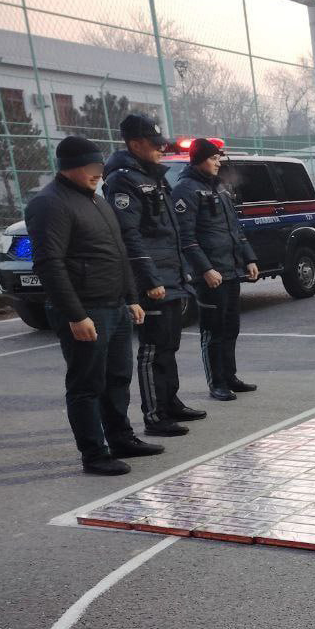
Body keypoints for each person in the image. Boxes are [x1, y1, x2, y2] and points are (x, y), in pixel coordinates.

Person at [26, 136, 164, 475]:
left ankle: (121, 439)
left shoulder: (97, 201)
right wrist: (76, 315)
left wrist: (131, 298)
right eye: (90, 167)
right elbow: (49, 264)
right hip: (86, 310)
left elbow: (119, 253)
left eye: (99, 166)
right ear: (68, 167)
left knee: (118, 377)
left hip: (115, 306)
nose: (98, 172)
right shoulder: (49, 204)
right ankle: (94, 453)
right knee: (86, 385)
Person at [105, 114, 206, 436]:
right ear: (135, 144)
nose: (161, 149)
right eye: (155, 144)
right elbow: (130, 235)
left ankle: (170, 402)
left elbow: (169, 232)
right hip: (153, 280)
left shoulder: (155, 177)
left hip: (171, 275)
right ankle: (155, 415)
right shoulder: (123, 181)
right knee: (152, 350)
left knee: (169, 346)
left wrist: (181, 272)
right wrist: (150, 280)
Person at [173, 138, 259, 401]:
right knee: (213, 330)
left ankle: (230, 376)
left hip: (230, 270)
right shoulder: (186, 190)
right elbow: (186, 238)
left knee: (231, 327)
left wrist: (249, 258)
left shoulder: (219, 188)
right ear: (199, 160)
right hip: (211, 275)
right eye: (213, 158)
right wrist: (206, 269)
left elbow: (235, 229)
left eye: (218, 158)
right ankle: (217, 383)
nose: (218, 162)